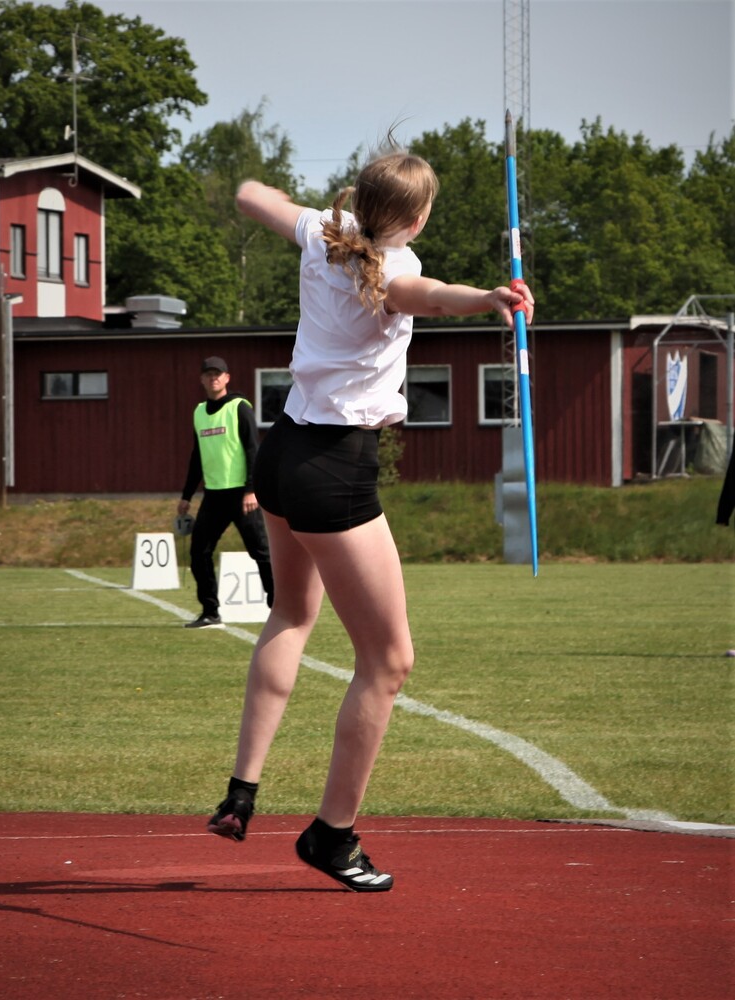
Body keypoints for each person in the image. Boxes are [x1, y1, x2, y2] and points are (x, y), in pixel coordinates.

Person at [206, 146, 535, 891]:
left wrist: (285, 198)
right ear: (416, 219)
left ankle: (241, 792)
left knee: (292, 615)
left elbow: (251, 195)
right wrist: (491, 298)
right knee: (388, 662)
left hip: (282, 452)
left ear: (359, 199)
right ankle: (331, 835)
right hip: (334, 469)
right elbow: (431, 295)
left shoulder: (320, 231)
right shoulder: (389, 265)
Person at [178, 356, 274, 628]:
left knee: (261, 553)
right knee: (199, 552)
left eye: (218, 374)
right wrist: (186, 496)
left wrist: (252, 489)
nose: (213, 378)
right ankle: (210, 611)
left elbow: (253, 450)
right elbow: (197, 457)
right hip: (213, 497)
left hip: (242, 496)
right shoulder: (199, 412)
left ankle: (279, 608)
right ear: (202, 379)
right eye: (208, 374)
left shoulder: (239, 407)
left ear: (227, 378)